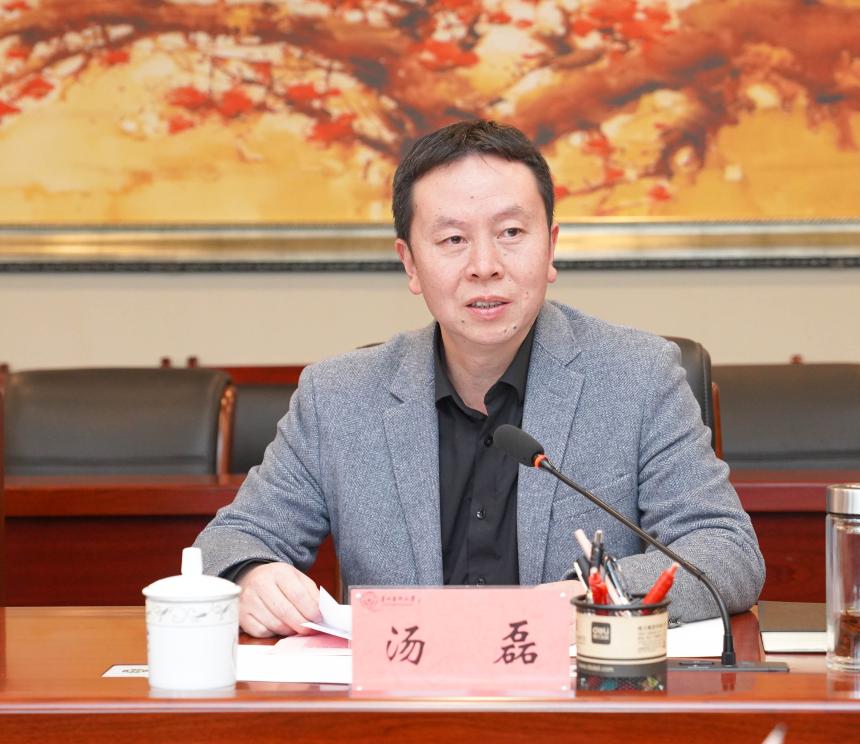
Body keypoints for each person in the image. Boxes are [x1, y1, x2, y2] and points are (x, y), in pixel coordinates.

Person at [195, 120, 764, 637]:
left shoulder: (638, 377)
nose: (485, 265)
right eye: (452, 240)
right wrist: (251, 575)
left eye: (511, 232)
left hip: (573, 699)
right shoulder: (339, 397)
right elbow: (229, 542)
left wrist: (589, 597)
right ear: (410, 264)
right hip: (404, 701)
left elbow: (726, 551)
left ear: (551, 248)